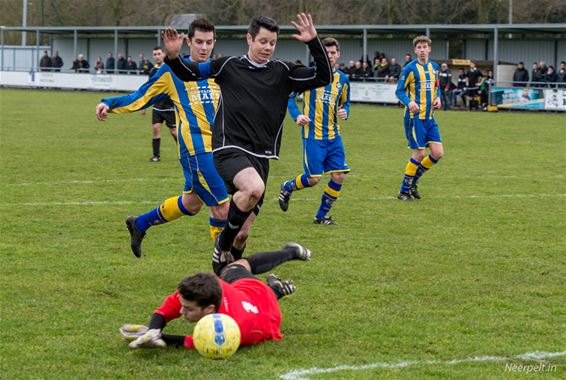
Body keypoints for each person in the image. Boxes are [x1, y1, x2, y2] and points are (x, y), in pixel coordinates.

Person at [161, 13, 332, 274]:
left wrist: (313, 42)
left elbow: (324, 77)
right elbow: (189, 73)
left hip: (260, 158)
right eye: (262, 41)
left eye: (272, 43)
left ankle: (227, 278)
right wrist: (173, 57)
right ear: (249, 39)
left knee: (243, 235)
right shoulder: (227, 66)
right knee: (253, 189)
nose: (267, 48)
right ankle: (223, 243)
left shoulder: (284, 72)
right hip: (228, 150)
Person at [95, 19, 232, 258]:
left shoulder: (219, 69)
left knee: (192, 203)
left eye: (209, 42)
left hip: (221, 149)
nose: (204, 47)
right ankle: (225, 269)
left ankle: (140, 224)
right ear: (188, 41)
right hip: (196, 150)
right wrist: (109, 102)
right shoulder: (172, 72)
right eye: (198, 42)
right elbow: (142, 95)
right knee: (222, 208)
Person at [119, 242, 311, 350]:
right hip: (246, 291)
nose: (181, 310)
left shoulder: (233, 326)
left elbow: (198, 343)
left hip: (267, 314)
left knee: (263, 295)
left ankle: (277, 285)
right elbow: (167, 307)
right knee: (235, 267)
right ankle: (288, 257)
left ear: (210, 309)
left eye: (188, 308)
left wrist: (160, 338)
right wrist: (154, 329)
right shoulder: (207, 287)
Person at [279, 37, 350, 225]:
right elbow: (290, 98)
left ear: (338, 54)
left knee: (339, 175)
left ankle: (321, 216)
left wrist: (346, 111)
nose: (330, 56)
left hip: (334, 136)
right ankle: (287, 187)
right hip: (313, 136)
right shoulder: (309, 76)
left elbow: (345, 102)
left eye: (333, 53)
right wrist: (297, 116)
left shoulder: (343, 80)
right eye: (326, 53)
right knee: (313, 179)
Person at [395, 35, 443, 201]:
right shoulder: (410, 68)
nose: (422, 50)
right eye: (419, 47)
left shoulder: (434, 67)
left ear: (429, 49)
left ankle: (413, 182)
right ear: (415, 50)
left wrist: (438, 97)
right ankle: (403, 191)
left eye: (425, 47)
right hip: (414, 118)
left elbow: (437, 86)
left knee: (437, 153)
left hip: (430, 118)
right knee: (420, 154)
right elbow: (399, 91)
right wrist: (409, 103)